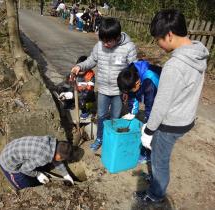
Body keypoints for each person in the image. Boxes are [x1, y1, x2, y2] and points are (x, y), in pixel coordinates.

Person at [134, 9, 209, 204]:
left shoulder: (174, 66)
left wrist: (149, 130)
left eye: (158, 39)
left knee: (159, 159)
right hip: (186, 118)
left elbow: (161, 103)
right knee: (161, 156)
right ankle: (157, 183)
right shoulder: (198, 54)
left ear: (169, 35)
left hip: (171, 123)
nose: (157, 44)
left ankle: (156, 193)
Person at [71, 17, 137, 151]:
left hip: (119, 91)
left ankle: (110, 139)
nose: (105, 44)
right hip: (103, 89)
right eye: (103, 40)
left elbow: (133, 69)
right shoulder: (99, 47)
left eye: (109, 41)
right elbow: (91, 60)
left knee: (115, 116)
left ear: (117, 37)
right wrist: (80, 66)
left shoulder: (129, 48)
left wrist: (127, 90)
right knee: (101, 115)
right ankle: (100, 137)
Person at [117, 60, 161, 163]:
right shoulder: (130, 73)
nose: (130, 92)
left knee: (153, 129)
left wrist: (149, 126)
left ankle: (149, 154)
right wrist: (132, 113)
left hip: (162, 97)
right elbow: (133, 95)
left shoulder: (149, 82)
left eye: (131, 90)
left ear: (137, 83)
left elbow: (151, 106)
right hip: (147, 89)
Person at [0, 135, 74, 190]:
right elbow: (24, 169)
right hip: (9, 164)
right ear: (58, 156)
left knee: (39, 166)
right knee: (26, 188)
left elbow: (56, 158)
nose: (62, 161)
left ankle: (33, 177)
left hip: (11, 147)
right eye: (63, 159)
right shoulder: (43, 156)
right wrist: (38, 174)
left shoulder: (51, 141)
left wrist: (65, 174)